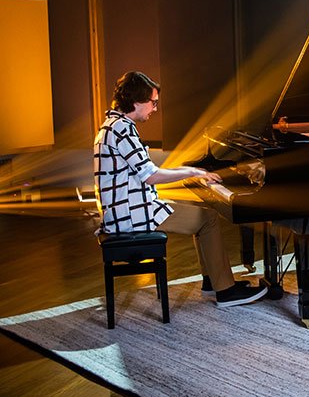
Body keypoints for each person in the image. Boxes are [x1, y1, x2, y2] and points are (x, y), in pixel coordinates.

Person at [93, 71, 268, 307]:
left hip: (124, 212)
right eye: (153, 102)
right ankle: (226, 291)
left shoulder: (111, 126)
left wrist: (189, 170)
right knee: (208, 219)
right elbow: (151, 176)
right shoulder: (122, 129)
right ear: (136, 101)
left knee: (200, 213)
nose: (155, 108)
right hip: (130, 216)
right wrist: (192, 171)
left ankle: (212, 282)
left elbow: (144, 171)